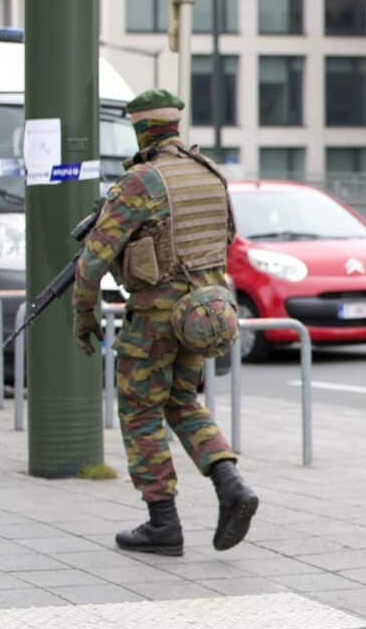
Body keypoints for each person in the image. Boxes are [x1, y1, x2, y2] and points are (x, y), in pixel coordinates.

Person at [72, 88, 258, 558]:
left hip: (155, 319)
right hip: (204, 313)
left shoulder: (142, 181)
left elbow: (94, 257)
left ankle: (163, 523)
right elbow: (227, 237)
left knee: (139, 410)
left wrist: (83, 312)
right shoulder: (210, 174)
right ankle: (229, 483)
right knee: (183, 401)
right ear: (174, 125)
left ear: (140, 129)